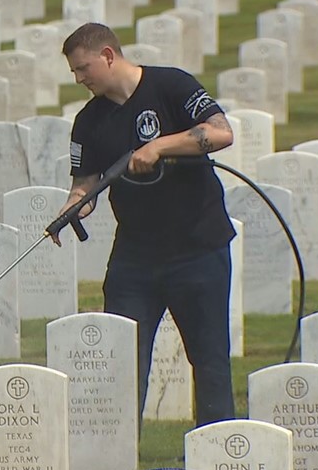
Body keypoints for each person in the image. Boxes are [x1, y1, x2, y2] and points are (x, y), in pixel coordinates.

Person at [50, 22, 236, 428]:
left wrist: (158, 146)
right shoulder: (88, 122)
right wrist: (73, 207)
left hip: (198, 247)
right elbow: (84, 185)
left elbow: (221, 133)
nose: (80, 79)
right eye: (74, 72)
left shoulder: (171, 85)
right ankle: (117, 457)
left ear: (108, 56)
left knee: (209, 360)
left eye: (83, 69)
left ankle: (218, 452)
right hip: (135, 258)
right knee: (123, 360)